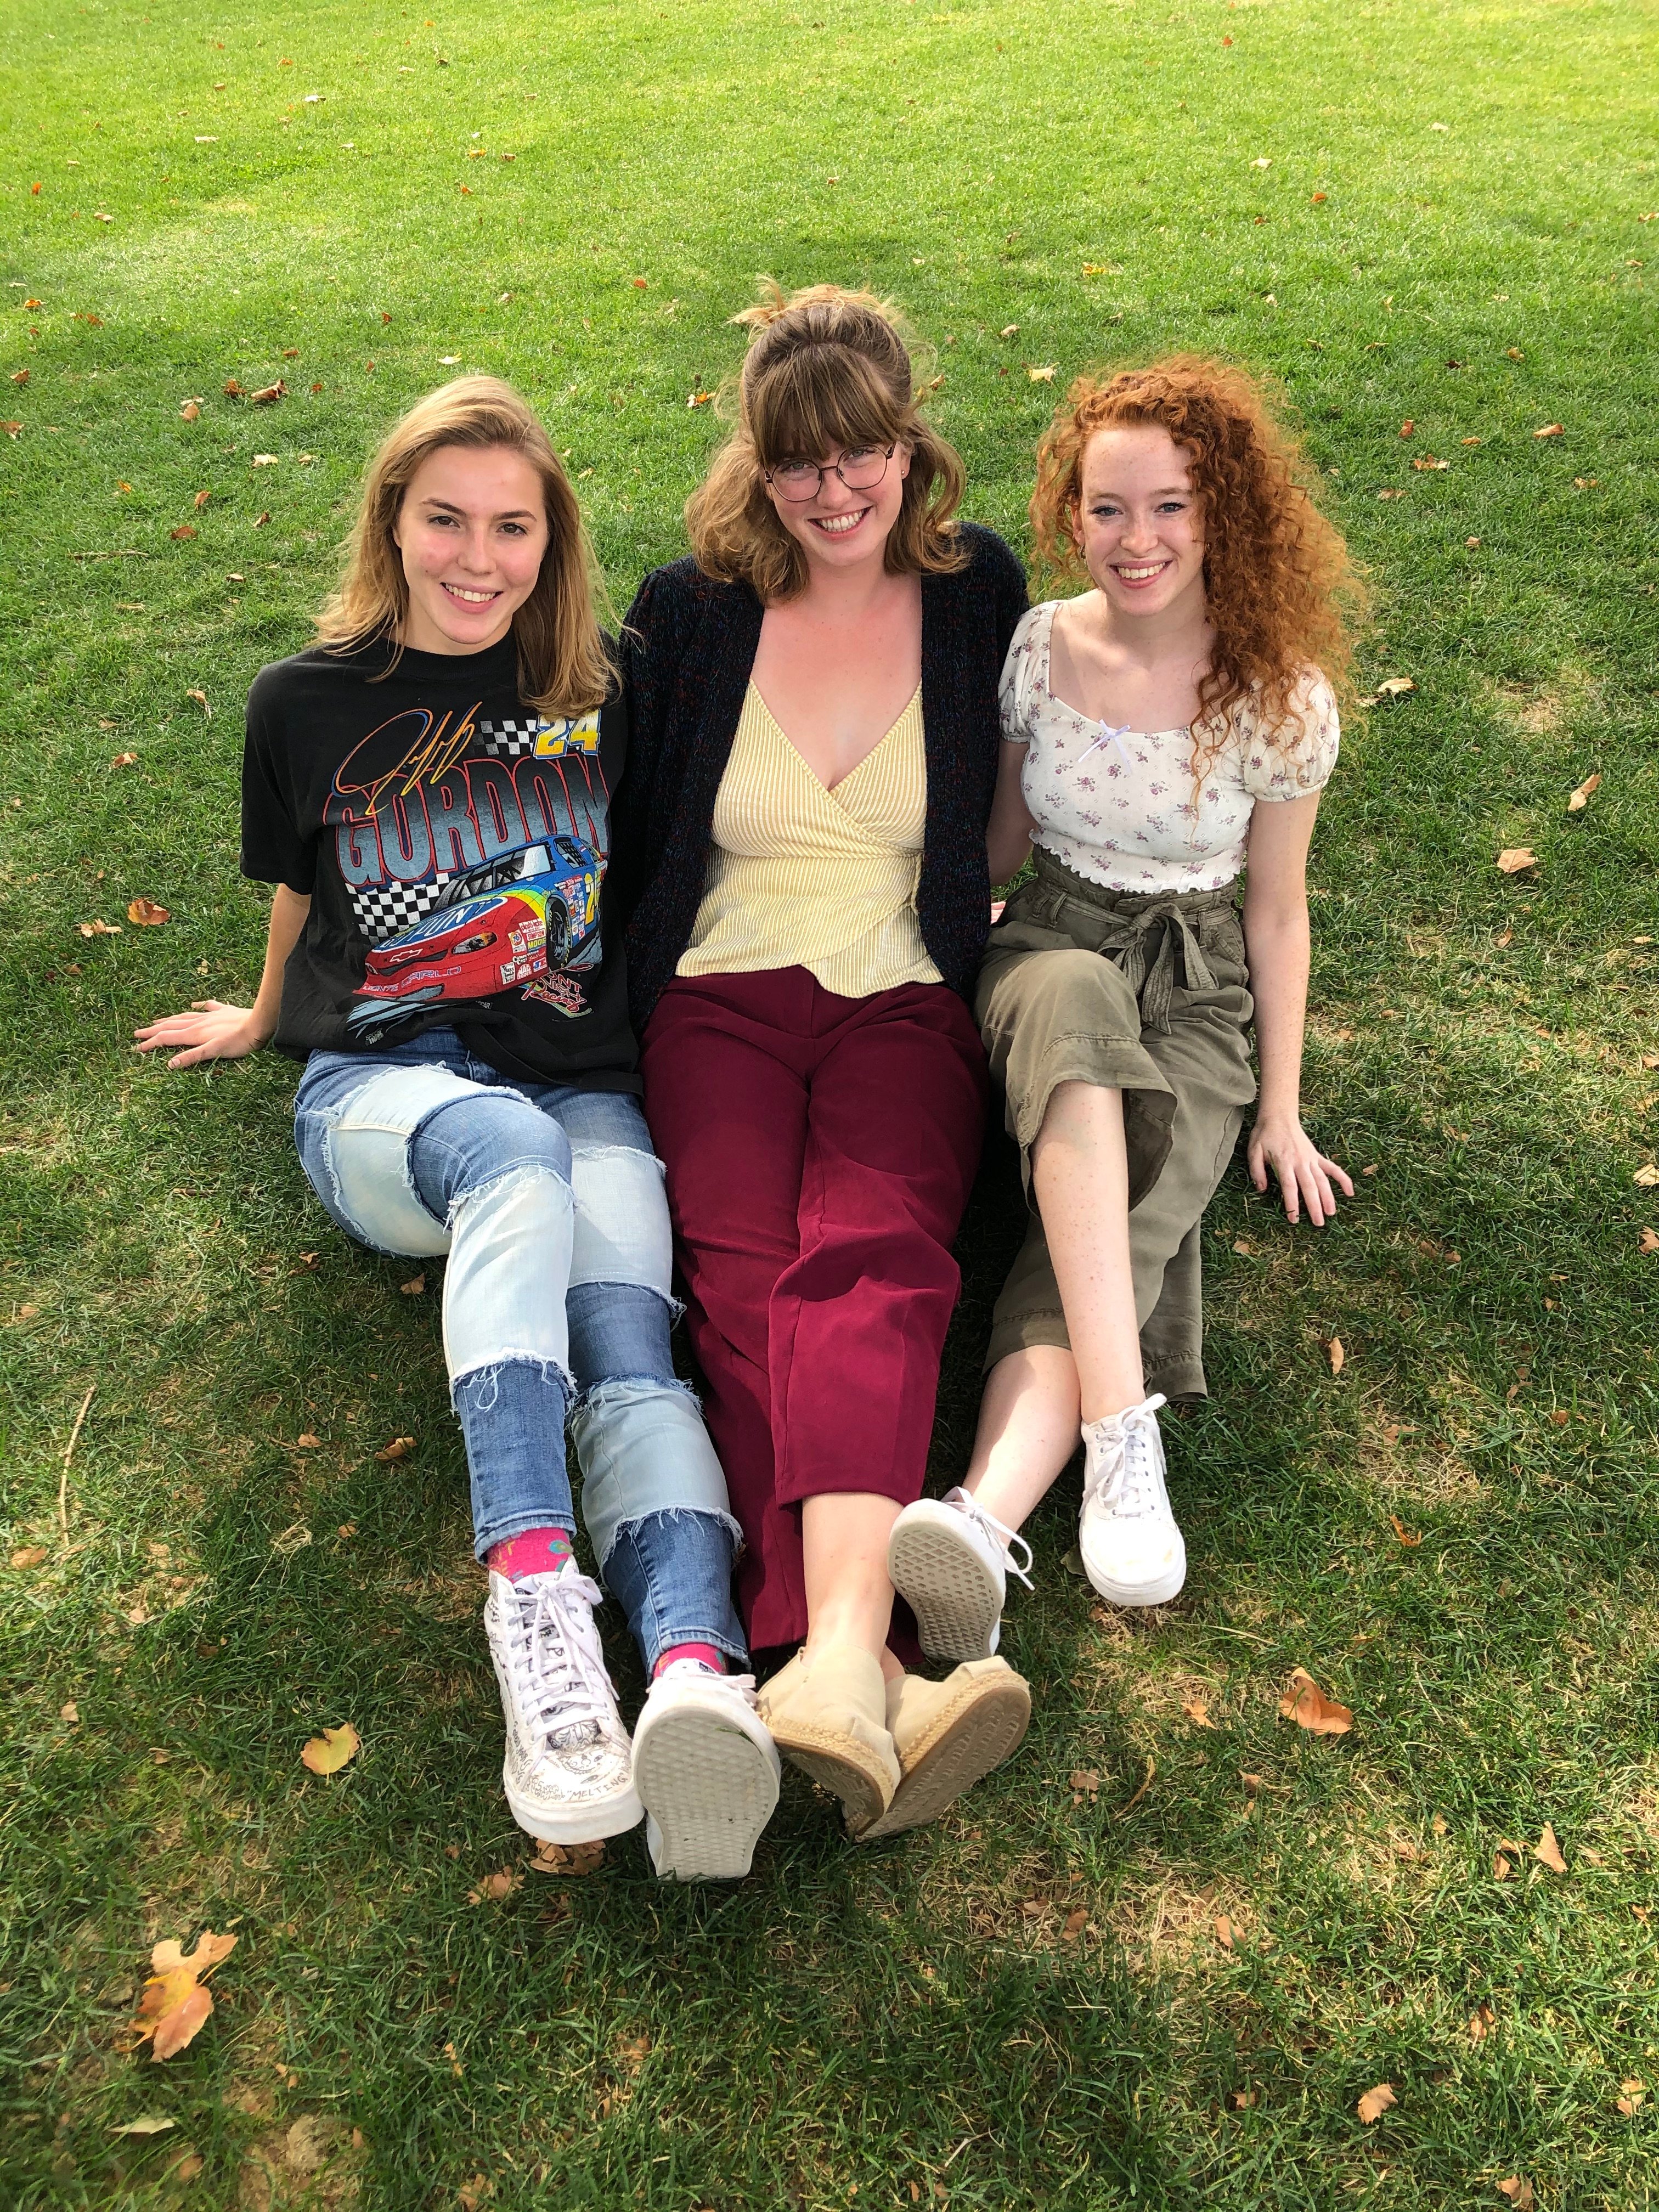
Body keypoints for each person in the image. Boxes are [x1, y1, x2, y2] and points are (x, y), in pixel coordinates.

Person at [134, 376, 780, 1883]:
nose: (478, 558)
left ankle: (695, 1671)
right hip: (384, 1097)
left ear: (552, 544)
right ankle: (536, 1596)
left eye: (513, 527)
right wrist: (259, 1011)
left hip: (579, 1074)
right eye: (446, 521)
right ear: (393, 523)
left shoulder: (598, 695)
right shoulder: (303, 703)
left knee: (631, 1340)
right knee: (513, 1159)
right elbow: (303, 881)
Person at [617, 283, 1032, 1843]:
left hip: (901, 990)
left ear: (911, 447)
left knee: (872, 1255)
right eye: (801, 462)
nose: (837, 490)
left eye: (863, 451)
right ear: (759, 467)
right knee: (735, 1273)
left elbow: (1085, 707)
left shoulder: (976, 589)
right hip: (716, 994)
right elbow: (615, 816)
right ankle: (875, 1663)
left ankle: (822, 1653)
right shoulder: (694, 610)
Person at [887, 356, 1360, 1661]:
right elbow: (993, 850)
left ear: (1224, 515)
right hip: (1052, 941)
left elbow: (1275, 911)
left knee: (1125, 1224)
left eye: (1170, 507)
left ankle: (980, 1522)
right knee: (1083, 1002)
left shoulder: (1279, 696)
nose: (1136, 540)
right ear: (1071, 511)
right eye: (1108, 508)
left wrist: (1280, 1107)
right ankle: (1121, 1422)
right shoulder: (1040, 648)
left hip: (1201, 977)